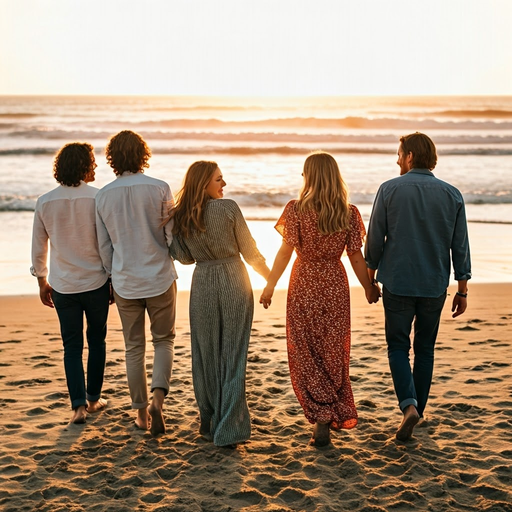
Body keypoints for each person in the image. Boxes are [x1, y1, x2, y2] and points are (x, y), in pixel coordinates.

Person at [259, 152, 381, 447]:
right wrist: (368, 286)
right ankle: (328, 409)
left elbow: (285, 253)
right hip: (335, 284)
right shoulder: (348, 212)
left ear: (309, 177)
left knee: (304, 349)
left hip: (304, 282)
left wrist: (270, 284)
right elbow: (354, 256)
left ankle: (321, 413)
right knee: (332, 350)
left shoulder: (296, 209)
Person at [365, 132, 471, 442]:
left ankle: (408, 406)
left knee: (398, 347)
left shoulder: (389, 189)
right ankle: (417, 412)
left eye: (399, 154)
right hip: (434, 284)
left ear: (410, 156)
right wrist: (462, 289)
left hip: (398, 281)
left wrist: (370, 278)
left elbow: (374, 240)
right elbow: (460, 247)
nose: (397, 159)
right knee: (425, 349)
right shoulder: (452, 194)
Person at [169, 161, 270, 448]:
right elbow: (250, 251)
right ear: (203, 184)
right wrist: (271, 279)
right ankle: (228, 426)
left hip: (202, 282)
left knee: (205, 353)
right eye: (219, 180)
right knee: (233, 353)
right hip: (234, 280)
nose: (224, 185)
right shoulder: (228, 209)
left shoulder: (183, 215)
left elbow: (184, 257)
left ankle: (208, 419)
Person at [95, 130, 177, 436]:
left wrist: (112, 277)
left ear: (112, 158)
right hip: (159, 277)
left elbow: (105, 247)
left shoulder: (103, 195)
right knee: (164, 341)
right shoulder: (159, 188)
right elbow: (170, 237)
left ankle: (142, 415)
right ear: (143, 154)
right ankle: (158, 400)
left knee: (133, 349)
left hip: (126, 281)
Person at [31, 142, 111, 424]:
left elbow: (39, 246)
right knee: (97, 341)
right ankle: (93, 399)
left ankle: (77, 407)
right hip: (96, 282)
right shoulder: (98, 197)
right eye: (93, 162)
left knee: (72, 346)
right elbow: (106, 244)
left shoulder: (45, 201)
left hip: (63, 286)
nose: (97, 167)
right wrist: (111, 277)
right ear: (85, 166)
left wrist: (41, 280)